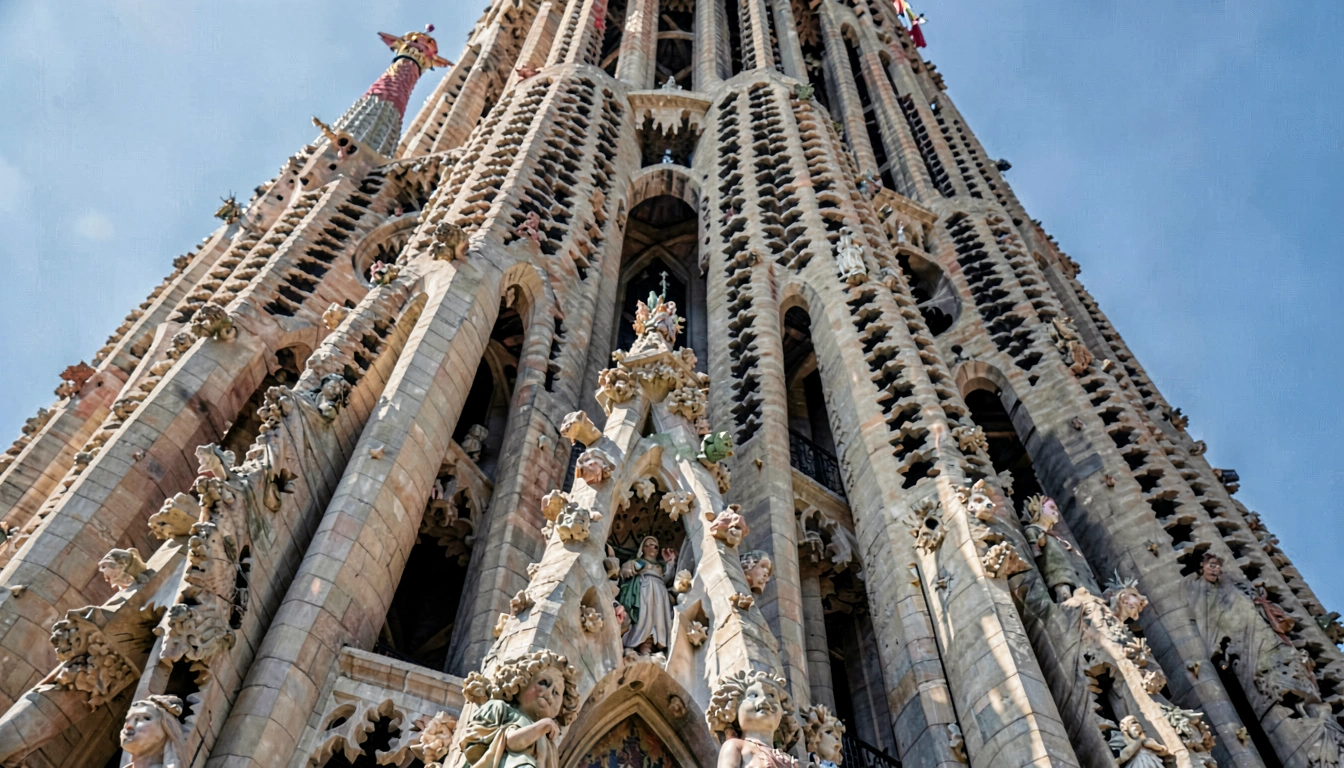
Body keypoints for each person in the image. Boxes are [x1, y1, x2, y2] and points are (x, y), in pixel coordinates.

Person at [617, 536, 677, 654]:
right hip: (645, 590)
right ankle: (640, 643)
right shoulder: (638, 562)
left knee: (658, 619)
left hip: (660, 594)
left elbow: (666, 578)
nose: (653, 548)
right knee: (644, 616)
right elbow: (625, 573)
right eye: (649, 544)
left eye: (656, 546)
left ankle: (653, 644)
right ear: (642, 548)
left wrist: (670, 562)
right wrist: (629, 566)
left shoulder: (660, 566)